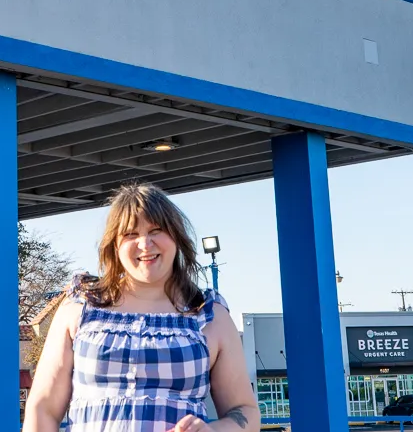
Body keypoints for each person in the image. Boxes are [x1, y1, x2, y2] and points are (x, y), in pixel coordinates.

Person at [25, 183, 260, 432]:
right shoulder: (78, 310)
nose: (145, 244)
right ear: (114, 246)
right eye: (130, 234)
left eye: (156, 230)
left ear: (177, 238)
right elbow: (44, 408)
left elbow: (246, 412)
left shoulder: (210, 317)